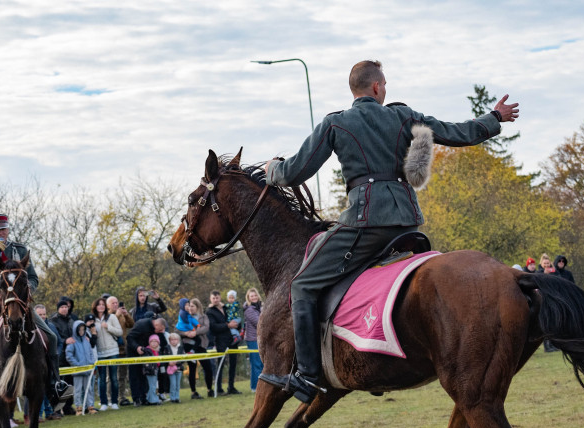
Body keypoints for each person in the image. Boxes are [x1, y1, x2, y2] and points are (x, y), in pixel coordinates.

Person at [261, 59, 518, 403]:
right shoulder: (403, 116)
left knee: (303, 285)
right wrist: (494, 118)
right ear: (377, 87)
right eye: (386, 84)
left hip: (364, 223)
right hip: (407, 223)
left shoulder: (336, 123)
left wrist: (272, 170)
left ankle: (307, 375)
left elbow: (295, 172)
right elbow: (455, 132)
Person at [0, 213, 71, 420]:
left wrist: (24, 289)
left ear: (8, 229)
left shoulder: (20, 250)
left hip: (17, 303)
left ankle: (54, 386)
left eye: (3, 229)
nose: (0, 233)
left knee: (51, 337)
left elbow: (33, 278)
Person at [176, 297, 213, 399]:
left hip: (201, 346)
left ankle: (209, 389)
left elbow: (206, 328)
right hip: (189, 345)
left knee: (208, 368)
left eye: (192, 306)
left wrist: (195, 332)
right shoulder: (183, 316)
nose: (190, 308)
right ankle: (193, 392)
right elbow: (177, 330)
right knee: (192, 368)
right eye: (188, 306)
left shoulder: (203, 316)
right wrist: (186, 333)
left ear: (197, 307)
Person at [126, 316, 168, 405]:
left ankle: (144, 398)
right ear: (156, 324)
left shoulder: (156, 329)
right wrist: (137, 347)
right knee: (134, 375)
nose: (160, 332)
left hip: (146, 353)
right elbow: (129, 337)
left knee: (144, 375)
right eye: (159, 330)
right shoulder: (142, 324)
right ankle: (136, 399)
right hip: (133, 352)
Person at [91, 297, 122, 410]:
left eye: (103, 304)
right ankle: (103, 403)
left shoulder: (112, 317)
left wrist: (108, 327)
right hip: (100, 353)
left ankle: (114, 402)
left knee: (114, 377)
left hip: (113, 350)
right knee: (102, 379)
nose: (101, 306)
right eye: (99, 304)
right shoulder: (92, 319)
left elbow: (120, 332)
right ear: (95, 307)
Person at [206, 291, 239, 396]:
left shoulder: (226, 307)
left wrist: (236, 325)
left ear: (220, 297)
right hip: (220, 339)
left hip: (232, 339)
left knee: (233, 363)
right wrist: (228, 325)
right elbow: (213, 326)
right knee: (221, 363)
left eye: (217, 297)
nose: (216, 300)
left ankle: (231, 387)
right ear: (211, 299)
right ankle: (219, 388)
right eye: (213, 298)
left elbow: (235, 316)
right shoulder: (210, 311)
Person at [66, 317, 98, 415]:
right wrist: (77, 365)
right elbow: (69, 355)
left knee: (89, 389)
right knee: (78, 390)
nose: (81, 331)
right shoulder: (72, 342)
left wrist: (92, 363)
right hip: (78, 371)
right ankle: (79, 408)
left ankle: (90, 406)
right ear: (76, 330)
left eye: (83, 329)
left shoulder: (86, 340)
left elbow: (91, 352)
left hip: (88, 370)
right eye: (79, 329)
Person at [108, 296, 135, 406]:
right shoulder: (108, 316)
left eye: (116, 302)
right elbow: (108, 326)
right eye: (113, 303)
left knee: (122, 376)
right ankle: (110, 397)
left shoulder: (121, 315)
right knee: (111, 376)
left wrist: (126, 314)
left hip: (123, 348)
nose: (115, 305)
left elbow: (131, 324)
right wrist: (117, 315)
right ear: (108, 305)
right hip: (112, 349)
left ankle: (121, 397)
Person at [244, 289, 263, 392]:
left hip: (261, 339)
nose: (254, 297)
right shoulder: (249, 310)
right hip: (253, 339)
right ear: (248, 298)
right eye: (251, 296)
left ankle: (259, 386)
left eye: (255, 295)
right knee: (256, 363)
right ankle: (255, 387)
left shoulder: (260, 307)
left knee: (261, 363)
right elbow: (259, 322)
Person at [141, 335, 163, 405]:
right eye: (152, 341)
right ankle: (153, 400)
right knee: (152, 385)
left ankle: (149, 399)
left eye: (155, 341)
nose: (153, 343)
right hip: (150, 370)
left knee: (153, 385)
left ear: (158, 343)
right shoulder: (147, 350)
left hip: (155, 370)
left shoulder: (158, 351)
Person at [164, 333, 184, 403]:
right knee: (173, 384)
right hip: (171, 369)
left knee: (177, 384)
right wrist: (169, 362)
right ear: (169, 341)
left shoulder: (181, 347)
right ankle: (172, 398)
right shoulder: (167, 347)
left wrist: (177, 362)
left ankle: (177, 398)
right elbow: (165, 357)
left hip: (179, 368)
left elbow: (183, 358)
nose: (173, 341)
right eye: (172, 340)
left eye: (175, 339)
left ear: (178, 340)